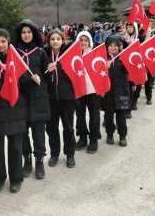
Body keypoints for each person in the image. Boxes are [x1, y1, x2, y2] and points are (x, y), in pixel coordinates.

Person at [0, 28, 29, 193]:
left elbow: (24, 83)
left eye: (3, 41)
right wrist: (3, 81)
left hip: (15, 108)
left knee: (16, 147)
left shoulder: (16, 58)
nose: (0, 44)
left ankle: (16, 178)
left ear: (8, 41)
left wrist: (32, 79)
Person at [12, 20, 51, 180]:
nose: (26, 35)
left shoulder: (40, 52)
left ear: (33, 33)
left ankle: (39, 160)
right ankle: (26, 159)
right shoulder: (14, 52)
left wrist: (50, 71)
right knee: (22, 132)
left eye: (29, 32)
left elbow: (46, 74)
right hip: (22, 96)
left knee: (39, 132)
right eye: (23, 32)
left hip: (38, 97)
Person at [43, 29, 77, 168]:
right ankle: (55, 153)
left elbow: (76, 71)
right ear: (49, 41)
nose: (55, 41)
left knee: (68, 127)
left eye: (58, 39)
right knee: (51, 127)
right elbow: (41, 77)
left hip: (67, 97)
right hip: (51, 98)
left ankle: (70, 154)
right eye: (52, 39)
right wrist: (47, 70)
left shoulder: (69, 53)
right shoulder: (44, 54)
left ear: (62, 40)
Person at [101, 35, 133, 147]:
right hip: (108, 92)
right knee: (108, 115)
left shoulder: (124, 57)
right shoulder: (102, 58)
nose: (113, 48)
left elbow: (131, 70)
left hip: (122, 92)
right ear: (107, 46)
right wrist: (104, 67)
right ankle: (109, 134)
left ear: (119, 46)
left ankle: (122, 136)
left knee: (121, 116)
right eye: (110, 45)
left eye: (115, 45)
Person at [74, 31, 102, 153]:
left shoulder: (94, 54)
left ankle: (94, 138)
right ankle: (82, 136)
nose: (83, 42)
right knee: (80, 114)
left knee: (94, 114)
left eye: (86, 40)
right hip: (79, 89)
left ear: (89, 42)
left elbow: (101, 71)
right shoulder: (73, 55)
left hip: (93, 89)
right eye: (81, 40)